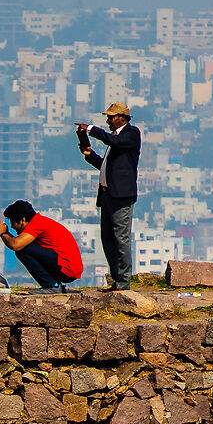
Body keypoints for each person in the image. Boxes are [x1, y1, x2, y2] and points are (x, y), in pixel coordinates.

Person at [76, 100, 141, 289]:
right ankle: (116, 279)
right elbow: (105, 167)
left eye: (111, 118)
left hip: (121, 197)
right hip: (107, 195)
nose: (109, 121)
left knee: (121, 239)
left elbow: (115, 141)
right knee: (108, 239)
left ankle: (123, 281)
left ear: (122, 117)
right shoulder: (114, 140)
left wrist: (91, 129)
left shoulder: (130, 134)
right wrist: (90, 154)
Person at [0, 199, 83, 291]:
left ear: (23, 220)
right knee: (23, 248)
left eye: (13, 222)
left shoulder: (36, 224)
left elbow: (16, 245)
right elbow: (17, 243)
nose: (12, 226)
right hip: (66, 267)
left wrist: (3, 233)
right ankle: (53, 285)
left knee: (22, 250)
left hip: (67, 269)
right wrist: (6, 233)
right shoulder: (38, 221)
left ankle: (51, 286)